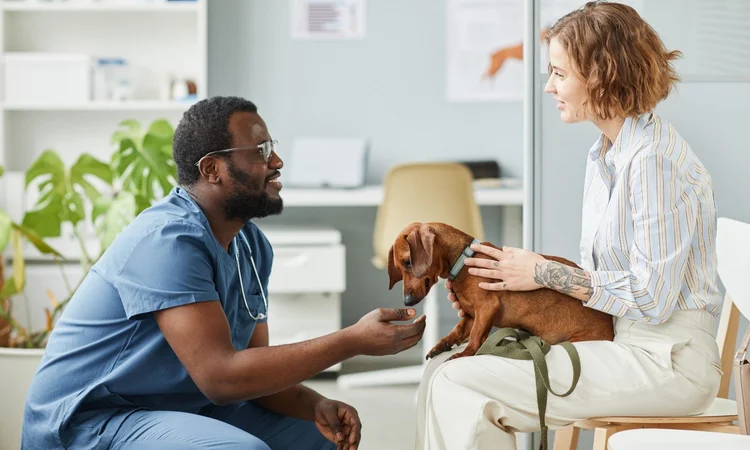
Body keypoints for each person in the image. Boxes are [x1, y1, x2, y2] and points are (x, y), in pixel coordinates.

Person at [22, 96, 427, 450]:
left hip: (176, 408)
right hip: (91, 424)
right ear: (213, 169)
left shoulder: (251, 245)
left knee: (315, 435)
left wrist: (313, 405)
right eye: (260, 150)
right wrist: (351, 340)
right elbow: (221, 378)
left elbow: (253, 366)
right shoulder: (167, 242)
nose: (277, 161)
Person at [416, 2, 723, 449]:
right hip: (624, 341)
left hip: (667, 363)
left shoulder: (654, 163)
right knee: (442, 367)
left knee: (462, 383)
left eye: (559, 74)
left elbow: (653, 299)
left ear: (601, 75)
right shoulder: (606, 154)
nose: (548, 87)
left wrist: (541, 272)